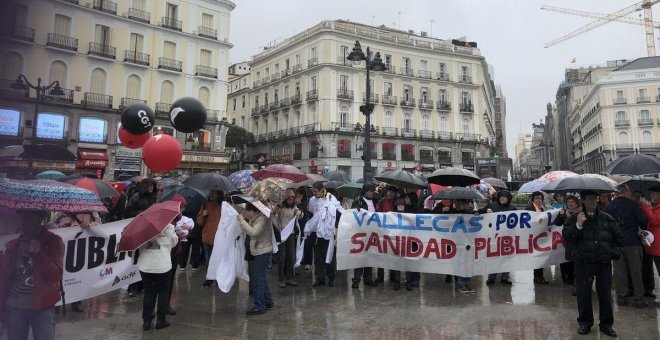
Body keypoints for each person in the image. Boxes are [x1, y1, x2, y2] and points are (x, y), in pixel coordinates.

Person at [563, 190, 622, 337]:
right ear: (582, 200)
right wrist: (578, 225)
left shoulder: (607, 218)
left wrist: (613, 253)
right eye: (589, 199)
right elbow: (568, 237)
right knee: (583, 295)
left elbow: (618, 238)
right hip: (584, 263)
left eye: (595, 199)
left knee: (605, 295)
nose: (593, 202)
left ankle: (606, 324)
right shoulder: (576, 218)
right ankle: (585, 323)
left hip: (603, 262)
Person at [0, 210, 64, 340]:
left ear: (40, 219)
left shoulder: (53, 242)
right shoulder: (13, 245)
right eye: (22, 216)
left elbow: (55, 276)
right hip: (14, 307)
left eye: (30, 217)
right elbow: (3, 280)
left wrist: (39, 254)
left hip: (43, 306)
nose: (24, 221)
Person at [46, 211, 102, 313]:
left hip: (81, 247)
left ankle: (76, 301)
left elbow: (99, 224)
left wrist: (89, 225)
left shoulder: (91, 211)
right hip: (63, 248)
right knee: (61, 273)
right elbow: (50, 225)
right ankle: (58, 301)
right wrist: (62, 226)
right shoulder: (62, 212)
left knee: (79, 274)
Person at [606, 184, 649, 308]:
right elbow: (643, 221)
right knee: (636, 271)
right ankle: (639, 298)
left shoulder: (610, 206)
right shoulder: (633, 205)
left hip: (617, 243)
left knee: (620, 270)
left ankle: (622, 296)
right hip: (632, 242)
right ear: (625, 192)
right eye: (629, 192)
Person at [137, 221, 179, 330]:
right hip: (162, 265)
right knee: (163, 291)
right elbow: (174, 243)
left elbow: (136, 244)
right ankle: (161, 320)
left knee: (149, 292)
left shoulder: (141, 226)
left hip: (146, 265)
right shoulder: (169, 226)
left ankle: (146, 321)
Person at [237, 201, 274, 315]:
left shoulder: (262, 218)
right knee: (261, 277)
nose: (249, 213)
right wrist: (234, 206)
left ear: (256, 210)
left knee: (258, 279)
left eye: (250, 210)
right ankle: (268, 301)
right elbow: (245, 213)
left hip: (262, 251)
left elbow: (254, 232)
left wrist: (242, 222)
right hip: (259, 250)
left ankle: (259, 305)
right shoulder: (258, 214)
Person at [307, 181, 343, 288]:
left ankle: (331, 277)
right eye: (313, 191)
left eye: (316, 191)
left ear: (322, 189)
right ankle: (320, 278)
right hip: (317, 233)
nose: (314, 193)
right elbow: (311, 212)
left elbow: (339, 210)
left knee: (329, 256)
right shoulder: (312, 200)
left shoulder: (331, 198)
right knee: (318, 257)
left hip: (328, 233)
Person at [166, 194, 193, 316]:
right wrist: (178, 237)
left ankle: (165, 304)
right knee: (165, 282)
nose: (183, 210)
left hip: (174, 252)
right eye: (182, 207)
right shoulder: (170, 219)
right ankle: (163, 306)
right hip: (168, 254)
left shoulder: (179, 218)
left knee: (170, 281)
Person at [482, 190, 516, 285]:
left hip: (507, 237)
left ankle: (505, 278)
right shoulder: (492, 205)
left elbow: (518, 222)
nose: (502, 198)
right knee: (493, 257)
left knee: (506, 257)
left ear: (508, 199)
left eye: (505, 197)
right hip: (493, 236)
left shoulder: (512, 208)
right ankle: (491, 277)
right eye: (501, 196)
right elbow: (478, 213)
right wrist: (485, 210)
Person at [351, 183, 378, 289]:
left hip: (372, 232)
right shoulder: (358, 200)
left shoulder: (374, 200)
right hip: (361, 232)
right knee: (360, 257)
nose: (372, 193)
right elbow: (354, 215)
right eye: (371, 191)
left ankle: (368, 278)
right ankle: (356, 280)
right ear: (366, 191)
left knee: (370, 256)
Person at [274, 189, 300, 288]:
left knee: (291, 257)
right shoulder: (280, 207)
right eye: (289, 198)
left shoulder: (294, 207)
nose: (291, 200)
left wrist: (299, 213)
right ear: (285, 198)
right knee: (281, 258)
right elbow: (273, 213)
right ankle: (282, 278)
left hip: (291, 234)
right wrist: (277, 205)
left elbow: (299, 213)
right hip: (281, 234)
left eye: (292, 198)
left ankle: (289, 277)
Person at [198, 189, 224, 288]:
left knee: (217, 260)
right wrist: (204, 216)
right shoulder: (205, 205)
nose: (212, 195)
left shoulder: (223, 206)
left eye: (214, 193)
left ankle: (218, 278)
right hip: (207, 236)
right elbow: (200, 222)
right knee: (208, 259)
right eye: (211, 192)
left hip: (218, 237)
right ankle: (209, 279)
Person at [450, 199, 477, 294]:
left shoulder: (472, 214)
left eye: (471, 203)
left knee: (468, 263)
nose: (470, 205)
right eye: (467, 203)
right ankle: (462, 283)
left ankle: (467, 282)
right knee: (461, 262)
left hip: (469, 242)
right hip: (458, 243)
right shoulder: (452, 212)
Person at [553, 195, 581, 285]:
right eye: (568, 202)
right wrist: (560, 216)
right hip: (567, 240)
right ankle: (569, 277)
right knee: (568, 259)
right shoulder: (564, 212)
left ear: (577, 203)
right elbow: (557, 223)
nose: (570, 204)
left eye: (572, 202)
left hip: (579, 239)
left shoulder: (581, 213)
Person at [525, 191, 550, 284]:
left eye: (540, 198)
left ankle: (539, 276)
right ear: (533, 199)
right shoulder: (529, 208)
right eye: (536, 198)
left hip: (541, 236)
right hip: (533, 236)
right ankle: (537, 276)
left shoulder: (543, 209)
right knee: (536, 257)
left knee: (541, 256)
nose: (538, 200)